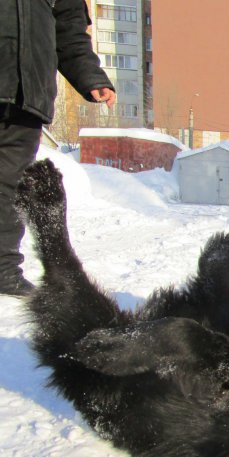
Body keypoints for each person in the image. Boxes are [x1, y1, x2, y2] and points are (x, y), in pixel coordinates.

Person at [0, 0, 116, 297]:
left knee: (11, 184)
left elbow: (69, 28)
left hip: (27, 92)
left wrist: (90, 75)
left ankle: (2, 268)